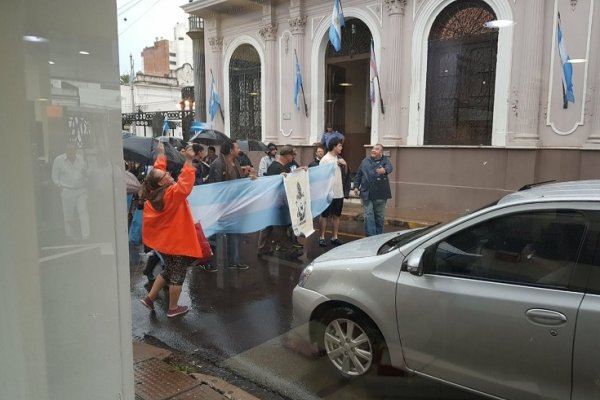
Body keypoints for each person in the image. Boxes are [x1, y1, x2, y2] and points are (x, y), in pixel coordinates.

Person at [139, 142, 204, 318]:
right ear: (161, 183)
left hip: (166, 243)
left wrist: (161, 155)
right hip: (176, 242)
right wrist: (188, 161)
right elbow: (185, 184)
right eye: (166, 175)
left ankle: (150, 298)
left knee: (168, 270)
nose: (168, 174)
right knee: (177, 275)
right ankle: (173, 309)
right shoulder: (170, 195)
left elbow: (157, 172)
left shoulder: (154, 192)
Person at [208, 140, 255, 270]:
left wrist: (248, 178)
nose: (239, 150)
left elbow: (238, 182)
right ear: (230, 150)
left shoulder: (236, 163)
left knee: (235, 232)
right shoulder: (218, 163)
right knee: (215, 235)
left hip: (235, 205)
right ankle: (210, 262)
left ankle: (234, 261)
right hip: (221, 206)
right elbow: (217, 186)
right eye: (237, 147)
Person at [257, 145, 304, 259]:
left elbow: (288, 176)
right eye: (292, 155)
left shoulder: (279, 166)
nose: (293, 157)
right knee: (279, 228)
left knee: (269, 227)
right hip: (275, 203)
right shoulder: (277, 167)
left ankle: (263, 249)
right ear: (287, 155)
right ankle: (289, 249)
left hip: (273, 202)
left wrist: (298, 170)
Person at [51, 143, 90, 240]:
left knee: (83, 211)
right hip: (67, 190)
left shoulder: (80, 158)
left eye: (73, 150)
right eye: (69, 150)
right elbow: (54, 176)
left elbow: (86, 172)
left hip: (81, 189)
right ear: (66, 151)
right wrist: (59, 186)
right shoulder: (59, 160)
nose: (71, 152)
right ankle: (69, 234)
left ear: (75, 151)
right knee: (68, 213)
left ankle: (86, 235)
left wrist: (86, 174)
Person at [354, 144, 393, 237]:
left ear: (381, 152)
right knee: (368, 214)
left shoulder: (385, 161)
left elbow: (390, 168)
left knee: (379, 216)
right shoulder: (365, 161)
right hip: (366, 192)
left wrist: (385, 171)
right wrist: (356, 186)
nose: (373, 150)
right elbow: (359, 174)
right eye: (373, 148)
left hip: (380, 193)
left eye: (376, 149)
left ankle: (378, 235)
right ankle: (370, 236)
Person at [318, 137, 346, 247]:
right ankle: (322, 237)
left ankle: (335, 237)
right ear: (334, 146)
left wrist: (344, 165)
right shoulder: (325, 159)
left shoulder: (339, 159)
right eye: (340, 145)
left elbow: (345, 174)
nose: (341, 148)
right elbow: (321, 177)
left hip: (339, 192)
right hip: (327, 193)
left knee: (337, 215)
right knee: (324, 215)